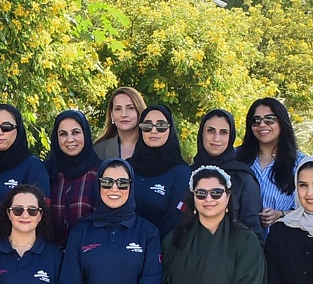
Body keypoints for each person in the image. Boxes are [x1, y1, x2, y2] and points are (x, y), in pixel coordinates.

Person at [0, 104, 50, 247]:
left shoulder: (32, 166)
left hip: (14, 255)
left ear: (18, 129)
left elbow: (41, 217)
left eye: (6, 127)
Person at [193, 109, 264, 242]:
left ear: (231, 137)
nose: (216, 138)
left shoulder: (243, 177)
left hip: (233, 256)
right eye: (210, 131)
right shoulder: (189, 173)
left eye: (224, 132)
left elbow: (253, 232)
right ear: (201, 133)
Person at [237, 97, 301, 233]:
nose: (262, 124)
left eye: (269, 119)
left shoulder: (299, 163)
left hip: (281, 243)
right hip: (241, 244)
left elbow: (309, 210)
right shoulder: (237, 157)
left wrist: (281, 214)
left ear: (281, 122)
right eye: (256, 120)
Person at [129, 105, 190, 237]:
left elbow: (175, 219)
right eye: (147, 126)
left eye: (161, 125)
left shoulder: (181, 172)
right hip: (124, 248)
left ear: (170, 129)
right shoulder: (126, 167)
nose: (154, 131)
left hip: (163, 249)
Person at [45, 109, 99, 246]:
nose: (70, 139)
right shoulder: (47, 171)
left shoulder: (100, 172)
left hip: (88, 257)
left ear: (86, 134)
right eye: (63, 134)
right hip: (51, 258)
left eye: (75, 132)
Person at [92, 86, 147, 161]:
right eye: (118, 109)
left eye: (130, 108)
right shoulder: (98, 149)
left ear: (140, 111)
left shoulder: (154, 145)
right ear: (111, 115)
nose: (123, 114)